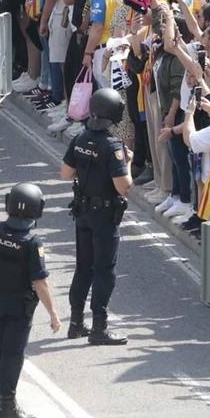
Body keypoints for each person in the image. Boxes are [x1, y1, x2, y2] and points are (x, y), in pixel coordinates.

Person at [0, 181, 62, 418]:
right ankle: (8, 407)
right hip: (20, 308)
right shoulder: (32, 242)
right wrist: (53, 313)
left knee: (1, 350)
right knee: (13, 355)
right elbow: (40, 283)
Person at [62, 86, 134, 345]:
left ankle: (75, 323)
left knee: (83, 267)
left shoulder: (79, 139)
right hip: (104, 216)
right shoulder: (112, 146)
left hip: (82, 213)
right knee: (105, 270)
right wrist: (127, 163)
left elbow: (66, 173)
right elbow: (124, 186)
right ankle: (99, 328)